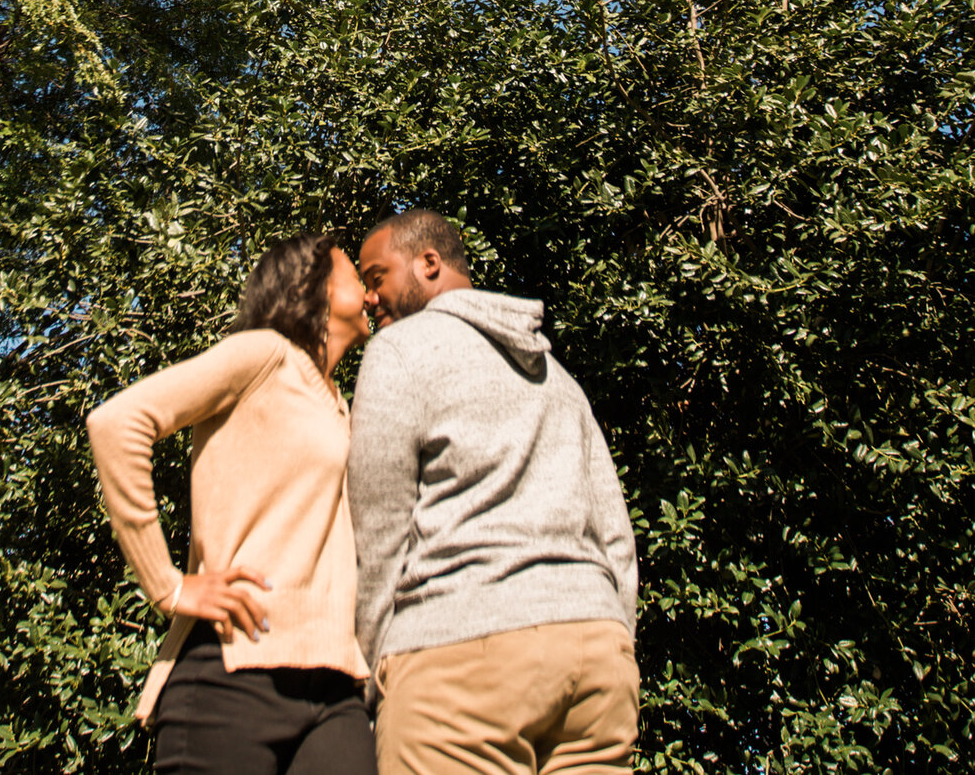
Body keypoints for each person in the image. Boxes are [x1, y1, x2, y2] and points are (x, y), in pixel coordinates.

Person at [349, 210, 639, 775]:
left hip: (458, 660)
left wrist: (371, 671)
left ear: (428, 263)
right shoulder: (557, 377)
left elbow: (378, 530)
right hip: (596, 670)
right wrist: (612, 633)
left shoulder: (401, 350)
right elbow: (615, 534)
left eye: (377, 275)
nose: (367, 297)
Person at [88, 233, 378, 775]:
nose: (367, 289)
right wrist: (168, 585)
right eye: (354, 275)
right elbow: (117, 423)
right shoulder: (264, 355)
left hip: (335, 683)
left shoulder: (342, 406)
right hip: (232, 670)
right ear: (312, 288)